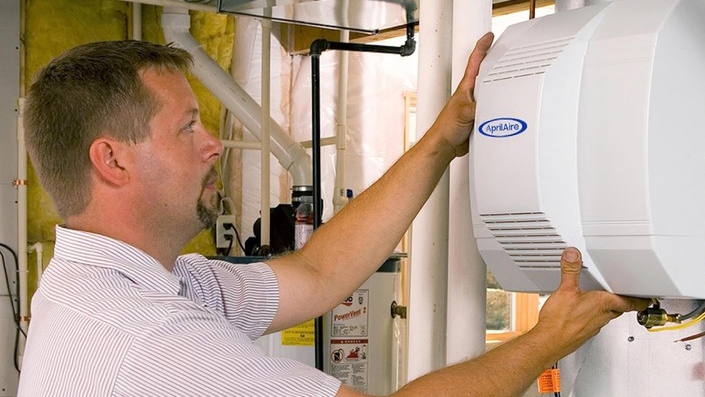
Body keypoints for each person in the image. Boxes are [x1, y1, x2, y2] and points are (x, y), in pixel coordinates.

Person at [19, 34, 649, 396]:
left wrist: (440, 141)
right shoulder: (143, 336)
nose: (213, 143)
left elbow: (319, 272)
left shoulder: (143, 283)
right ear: (112, 161)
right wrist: (547, 341)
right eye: (187, 128)